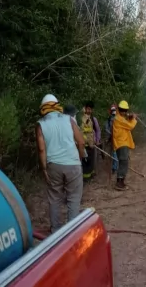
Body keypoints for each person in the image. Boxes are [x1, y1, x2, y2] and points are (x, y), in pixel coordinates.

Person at [35, 94, 87, 233]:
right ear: (57, 106)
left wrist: (44, 169)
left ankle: (56, 231)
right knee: (74, 199)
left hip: (53, 166)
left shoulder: (40, 125)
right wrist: (80, 158)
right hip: (73, 164)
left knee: (54, 199)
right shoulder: (69, 120)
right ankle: (73, 231)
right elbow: (81, 142)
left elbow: (41, 149)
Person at [112, 100, 137, 191]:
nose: (124, 112)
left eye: (125, 110)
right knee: (123, 162)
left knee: (124, 162)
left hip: (123, 143)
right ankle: (119, 182)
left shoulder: (120, 118)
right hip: (121, 144)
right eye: (123, 110)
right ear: (120, 109)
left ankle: (121, 181)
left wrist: (129, 118)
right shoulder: (119, 119)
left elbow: (126, 124)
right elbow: (130, 126)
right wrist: (133, 119)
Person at [79, 101, 101, 181]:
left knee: (92, 161)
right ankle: (85, 179)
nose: (89, 111)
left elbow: (98, 130)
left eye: (91, 109)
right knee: (84, 162)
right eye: (88, 109)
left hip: (92, 145)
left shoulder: (93, 119)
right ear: (85, 108)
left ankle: (90, 175)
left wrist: (97, 140)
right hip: (83, 145)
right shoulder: (80, 119)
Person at [104, 104, 118, 174]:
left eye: (114, 110)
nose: (113, 112)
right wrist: (110, 135)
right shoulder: (109, 120)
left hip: (116, 139)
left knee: (115, 153)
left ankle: (114, 167)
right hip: (112, 139)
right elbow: (106, 129)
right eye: (113, 110)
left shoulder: (118, 119)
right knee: (113, 153)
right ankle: (113, 167)